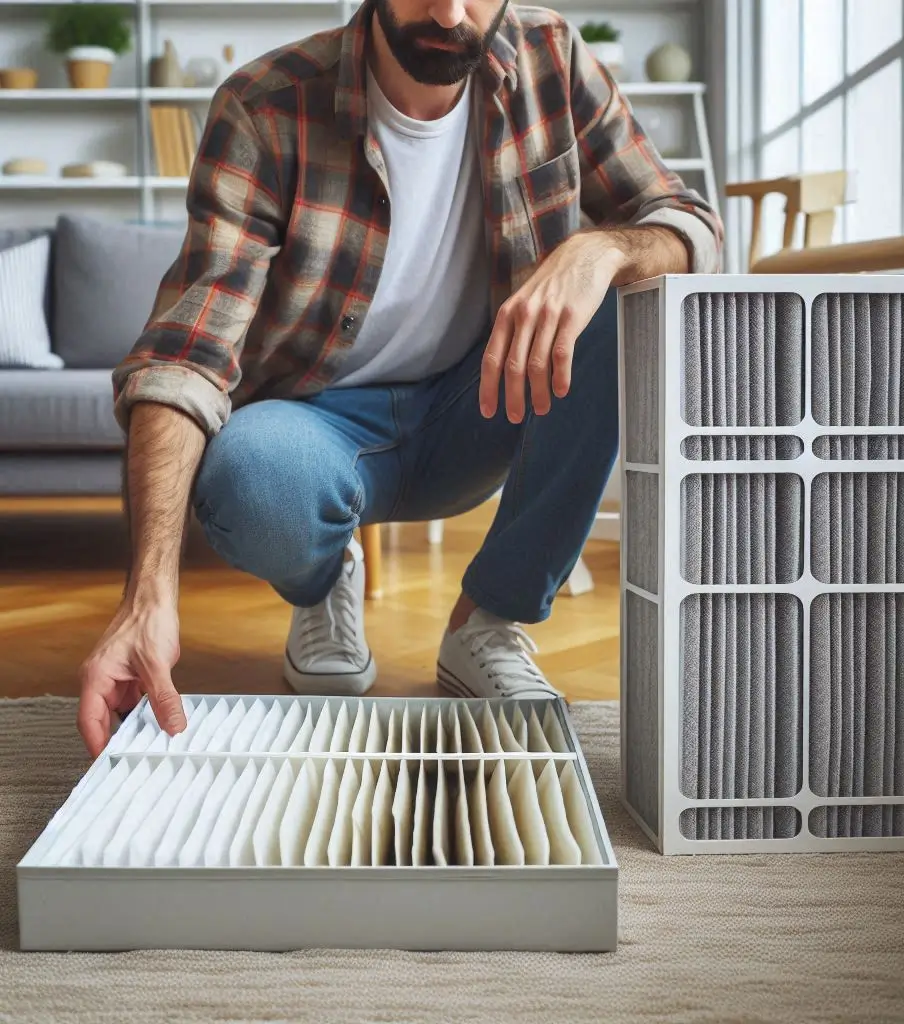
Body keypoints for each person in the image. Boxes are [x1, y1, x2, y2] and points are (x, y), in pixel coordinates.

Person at [76, 0, 722, 757]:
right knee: (251, 476)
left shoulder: (552, 57)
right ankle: (323, 578)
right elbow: (185, 355)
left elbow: (691, 222)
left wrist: (600, 251)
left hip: (480, 400)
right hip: (315, 429)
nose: (448, 13)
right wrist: (146, 595)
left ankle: (487, 621)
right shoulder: (265, 105)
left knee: (621, 305)